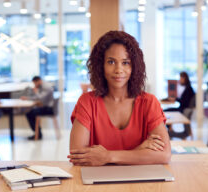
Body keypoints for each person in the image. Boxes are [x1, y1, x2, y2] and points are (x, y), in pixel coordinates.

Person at [67, 31, 171, 166]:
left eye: (125, 63)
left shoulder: (149, 102)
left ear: (134, 66)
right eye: (111, 62)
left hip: (141, 183)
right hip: (97, 184)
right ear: (101, 65)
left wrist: (107, 156)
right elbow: (78, 157)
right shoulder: (87, 102)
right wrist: (139, 151)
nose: (118, 70)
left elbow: (164, 155)